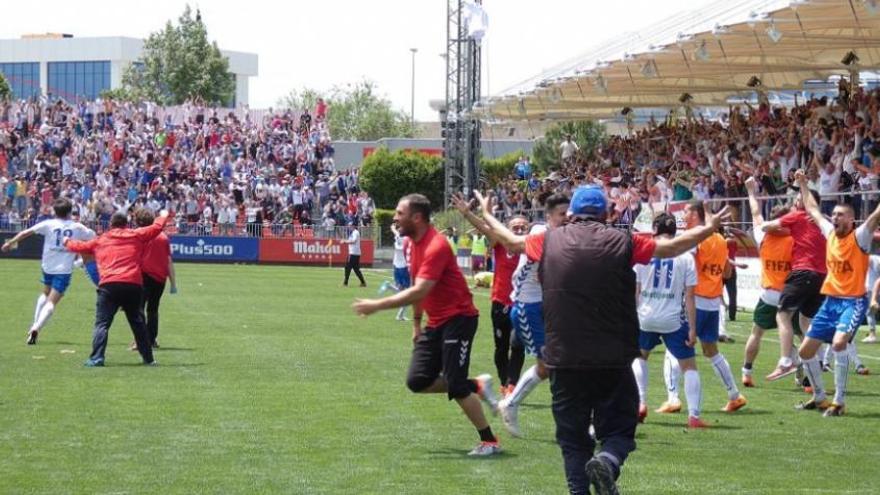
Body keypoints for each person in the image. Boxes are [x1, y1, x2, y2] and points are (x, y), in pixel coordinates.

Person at [466, 186, 730, 495]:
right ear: (606, 213)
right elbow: (671, 248)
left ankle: (580, 490)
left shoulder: (547, 240)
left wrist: (486, 212)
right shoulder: (624, 241)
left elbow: (510, 240)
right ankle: (608, 459)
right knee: (619, 428)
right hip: (612, 358)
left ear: (573, 213)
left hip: (564, 357)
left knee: (573, 440)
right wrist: (708, 229)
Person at [351, 193, 501, 457]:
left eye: (399, 213)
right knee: (417, 381)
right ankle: (476, 385)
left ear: (417, 217)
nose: (395, 218)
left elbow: (419, 290)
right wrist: (416, 324)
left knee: (455, 386)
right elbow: (416, 286)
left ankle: (490, 441)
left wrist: (376, 305)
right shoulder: (411, 244)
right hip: (437, 321)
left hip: (460, 318)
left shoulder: (437, 246)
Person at [453, 192, 570, 437]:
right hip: (522, 307)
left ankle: (513, 394)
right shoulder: (538, 236)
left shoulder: (557, 235)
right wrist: (477, 213)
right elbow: (492, 232)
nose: (568, 219)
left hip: (542, 307)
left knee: (554, 360)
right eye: (563, 215)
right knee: (534, 358)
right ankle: (514, 400)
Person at [791, 169, 880, 416]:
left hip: (853, 302)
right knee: (805, 351)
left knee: (840, 343)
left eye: (840, 215)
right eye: (834, 214)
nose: (835, 217)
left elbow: (875, 215)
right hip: (830, 302)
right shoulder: (830, 233)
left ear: (851, 220)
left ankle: (839, 401)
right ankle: (820, 397)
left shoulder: (860, 237)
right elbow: (812, 209)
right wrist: (803, 184)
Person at [659, 201, 747, 414]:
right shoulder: (720, 240)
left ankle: (673, 398)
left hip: (695, 300)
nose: (684, 213)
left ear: (696, 215)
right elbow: (726, 274)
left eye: (687, 210)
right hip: (713, 302)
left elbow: (682, 264)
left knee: (674, 347)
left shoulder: (696, 239)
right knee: (711, 351)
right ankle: (734, 395)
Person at [63, 209, 172, 367]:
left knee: (102, 324)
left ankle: (97, 358)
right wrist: (163, 215)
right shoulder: (136, 235)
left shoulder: (101, 240)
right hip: (132, 284)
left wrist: (67, 241)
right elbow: (156, 228)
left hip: (109, 285)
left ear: (111, 225)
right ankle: (149, 359)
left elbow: (80, 247)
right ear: (126, 224)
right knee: (138, 323)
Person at [631, 213, 707, 428]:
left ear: (655, 228)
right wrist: (692, 329)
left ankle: (641, 403)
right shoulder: (685, 256)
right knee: (689, 366)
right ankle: (694, 416)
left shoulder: (644, 251)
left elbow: (635, 291)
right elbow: (690, 296)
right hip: (673, 319)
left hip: (645, 316)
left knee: (640, 357)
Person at [1, 197, 95, 344]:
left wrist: (11, 243)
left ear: (54, 211)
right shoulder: (77, 227)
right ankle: (36, 328)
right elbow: (93, 237)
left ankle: (34, 323)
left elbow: (26, 232)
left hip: (47, 266)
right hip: (63, 270)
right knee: (52, 301)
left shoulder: (48, 224)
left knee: (45, 293)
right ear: (70, 212)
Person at [762, 177, 828, 381]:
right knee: (806, 321)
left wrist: (783, 221)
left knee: (782, 316)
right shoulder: (823, 221)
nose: (796, 201)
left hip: (802, 271)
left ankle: (785, 361)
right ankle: (816, 360)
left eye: (799, 198)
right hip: (821, 276)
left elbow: (766, 227)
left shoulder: (798, 216)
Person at [740, 177, 798, 388]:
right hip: (791, 294)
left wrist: (750, 191)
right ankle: (806, 379)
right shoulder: (795, 239)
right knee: (803, 336)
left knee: (757, 333)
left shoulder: (762, 235)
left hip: (768, 295)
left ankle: (746, 371)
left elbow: (755, 213)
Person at [131, 209, 177, 350]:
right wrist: (173, 283)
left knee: (138, 309)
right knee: (153, 309)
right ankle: (152, 339)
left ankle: (141, 341)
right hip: (160, 279)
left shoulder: (139, 235)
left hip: (143, 277)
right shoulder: (163, 237)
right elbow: (168, 261)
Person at [378, 222, 411, 321]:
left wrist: (393, 227)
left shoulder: (398, 237)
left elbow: (395, 231)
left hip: (396, 266)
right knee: (408, 294)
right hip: (404, 267)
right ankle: (400, 315)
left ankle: (400, 315)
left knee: (402, 292)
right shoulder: (406, 239)